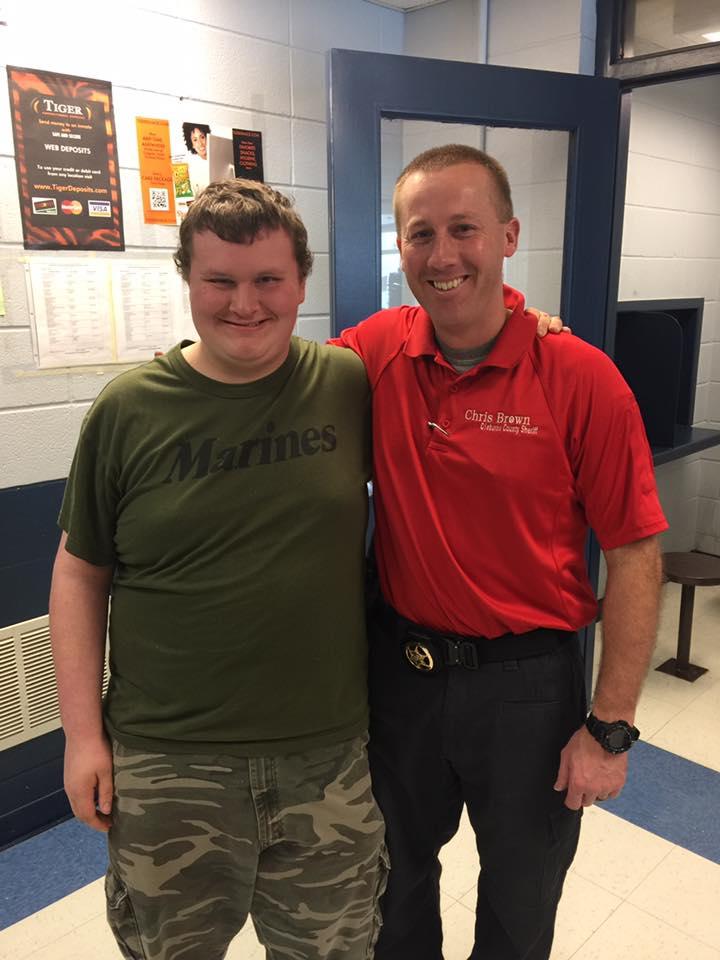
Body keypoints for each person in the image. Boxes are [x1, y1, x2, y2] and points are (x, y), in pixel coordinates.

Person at [333, 144, 667, 960]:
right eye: (420, 234)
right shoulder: (376, 353)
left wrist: (610, 725)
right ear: (400, 248)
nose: (442, 256)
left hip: (528, 692)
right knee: (390, 894)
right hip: (402, 681)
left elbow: (634, 554)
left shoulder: (580, 377)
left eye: (465, 230)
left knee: (519, 911)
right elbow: (267, 372)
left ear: (509, 236)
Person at [49, 179, 386, 960]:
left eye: (268, 279)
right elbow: (78, 575)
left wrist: (522, 320)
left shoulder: (346, 384)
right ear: (189, 281)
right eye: (220, 281)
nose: (245, 303)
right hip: (169, 764)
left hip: (326, 758)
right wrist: (80, 738)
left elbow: (449, 345)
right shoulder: (129, 409)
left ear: (301, 280)